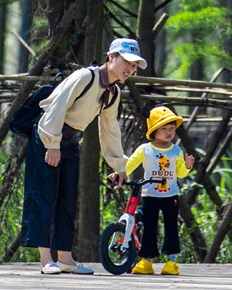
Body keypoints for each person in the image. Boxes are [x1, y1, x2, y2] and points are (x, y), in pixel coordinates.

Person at [22, 36, 147, 274]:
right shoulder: (84, 77)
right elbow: (56, 107)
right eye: (127, 62)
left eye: (134, 65)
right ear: (111, 58)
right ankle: (46, 259)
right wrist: (52, 144)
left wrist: (119, 166)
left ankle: (65, 259)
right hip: (49, 136)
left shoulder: (113, 92)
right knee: (44, 195)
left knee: (68, 198)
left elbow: (110, 129)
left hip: (71, 141)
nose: (130, 68)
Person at [124, 105, 194, 276]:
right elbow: (130, 164)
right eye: (164, 128)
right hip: (150, 195)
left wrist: (188, 166)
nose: (169, 132)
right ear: (154, 130)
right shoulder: (145, 149)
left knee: (171, 227)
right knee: (149, 227)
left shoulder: (176, 150)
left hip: (171, 195)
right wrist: (119, 173)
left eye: (172, 128)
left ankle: (171, 262)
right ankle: (146, 261)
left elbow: (180, 173)